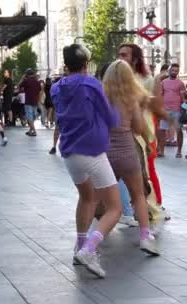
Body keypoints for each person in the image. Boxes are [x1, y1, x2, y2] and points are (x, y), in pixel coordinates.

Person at [51, 44, 122, 278]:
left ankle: (79, 245)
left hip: (70, 153)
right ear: (85, 63)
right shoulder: (90, 83)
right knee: (114, 208)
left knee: (87, 197)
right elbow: (111, 118)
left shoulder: (56, 88)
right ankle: (89, 249)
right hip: (92, 151)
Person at [102, 60, 160, 255]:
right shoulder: (131, 99)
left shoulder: (101, 98)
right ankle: (145, 237)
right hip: (127, 152)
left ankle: (86, 241)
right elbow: (138, 127)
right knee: (138, 195)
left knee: (97, 200)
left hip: (105, 154)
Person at [117, 43, 171, 227]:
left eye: (124, 55)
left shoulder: (148, 79)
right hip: (121, 131)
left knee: (144, 172)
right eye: (119, 54)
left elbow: (156, 106)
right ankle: (125, 209)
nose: (120, 58)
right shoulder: (117, 79)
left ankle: (154, 210)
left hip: (143, 131)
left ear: (135, 58)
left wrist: (167, 119)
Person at [158, 63, 185, 158]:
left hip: (177, 110)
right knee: (162, 130)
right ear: (169, 71)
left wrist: (183, 109)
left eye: (176, 71)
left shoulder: (181, 83)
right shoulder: (163, 82)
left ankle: (179, 151)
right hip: (165, 110)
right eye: (172, 70)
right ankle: (161, 150)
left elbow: (183, 98)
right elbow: (160, 95)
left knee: (178, 130)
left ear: (178, 72)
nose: (174, 72)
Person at [19, 68, 42, 136]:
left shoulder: (26, 81)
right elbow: (40, 91)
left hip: (28, 102)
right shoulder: (37, 82)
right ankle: (30, 130)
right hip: (35, 101)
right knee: (33, 117)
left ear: (26, 74)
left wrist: (22, 78)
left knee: (29, 117)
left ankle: (34, 131)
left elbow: (19, 85)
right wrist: (39, 100)